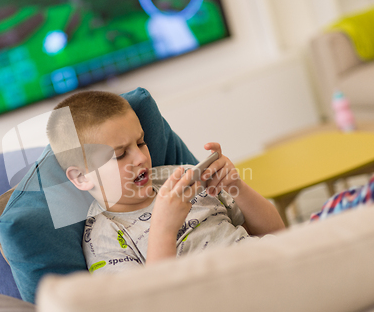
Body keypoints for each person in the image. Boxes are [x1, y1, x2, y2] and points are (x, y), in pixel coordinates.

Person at [46, 90, 285, 274]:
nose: (141, 158)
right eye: (119, 155)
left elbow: (278, 233)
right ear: (81, 177)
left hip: (273, 265)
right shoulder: (105, 236)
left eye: (140, 143)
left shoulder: (185, 177)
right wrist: (164, 228)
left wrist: (237, 188)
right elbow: (151, 306)